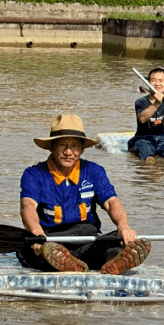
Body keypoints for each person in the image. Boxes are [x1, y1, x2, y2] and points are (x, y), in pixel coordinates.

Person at [18, 114, 151, 275]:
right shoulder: (33, 174)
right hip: (50, 241)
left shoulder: (94, 171)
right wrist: (37, 232)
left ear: (81, 149)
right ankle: (66, 262)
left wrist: (123, 227)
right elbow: (28, 206)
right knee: (29, 251)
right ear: (51, 147)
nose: (68, 152)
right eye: (62, 145)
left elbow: (111, 203)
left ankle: (114, 259)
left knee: (116, 240)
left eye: (74, 146)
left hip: (87, 239)